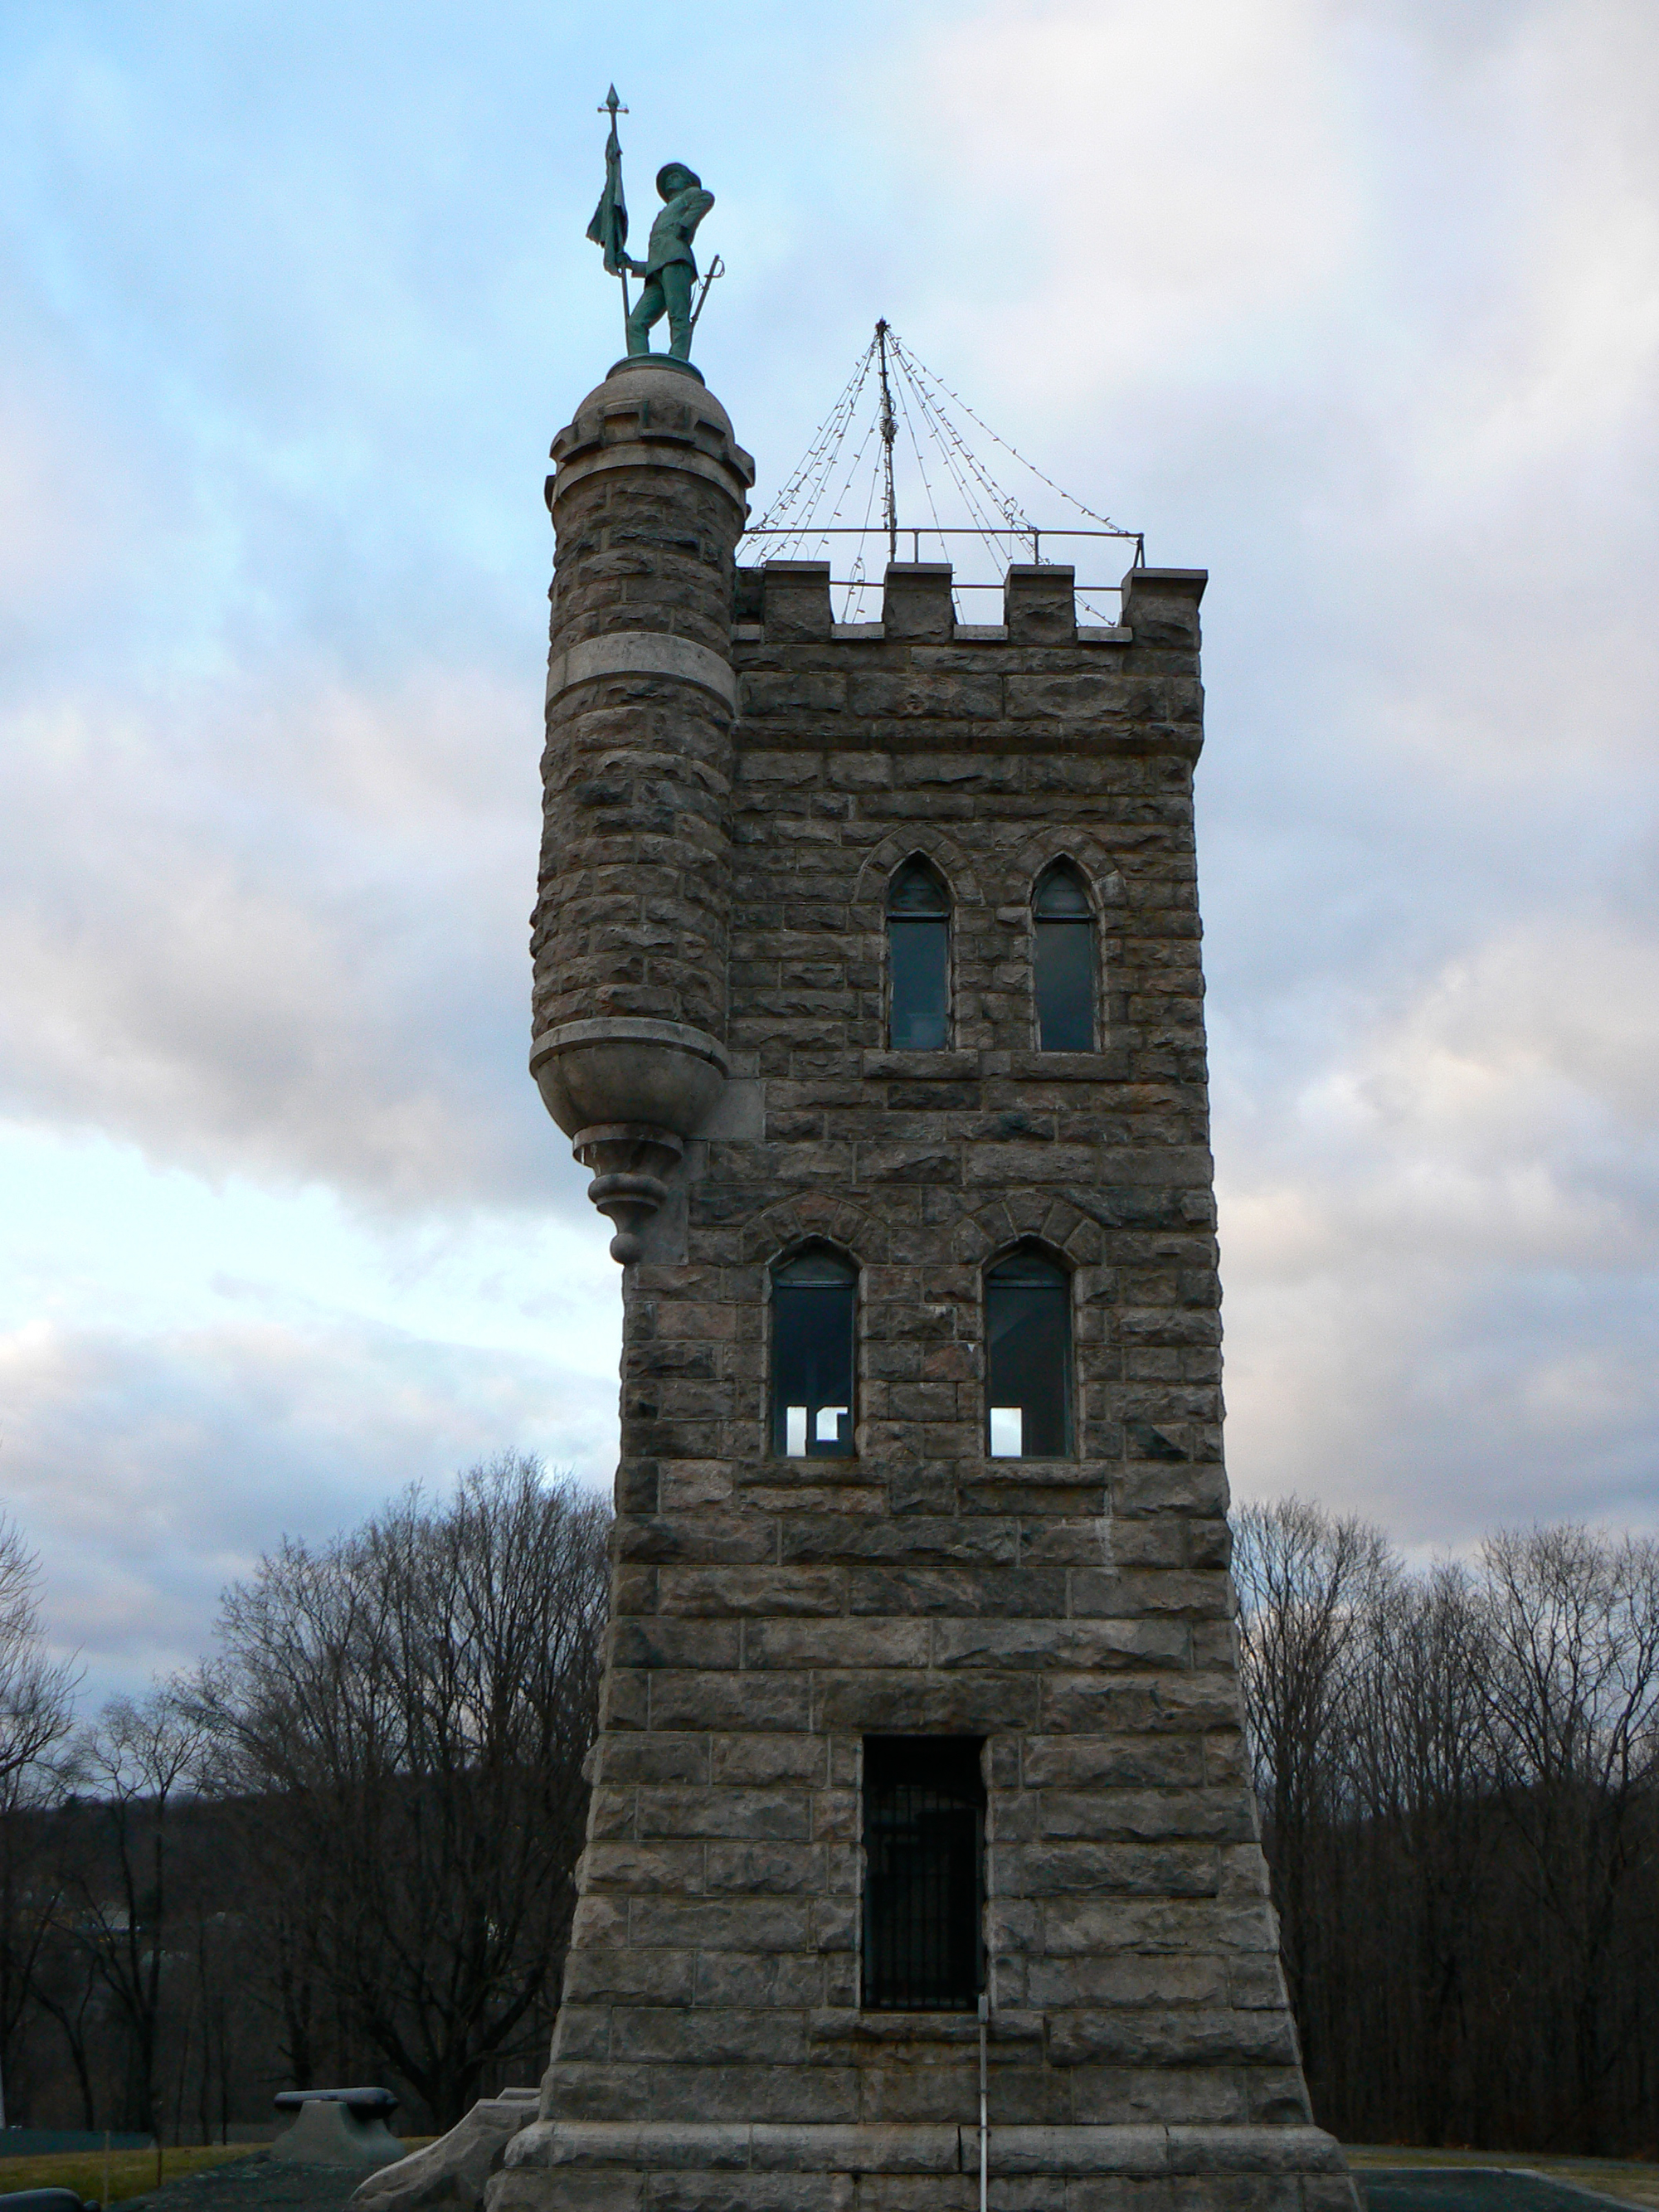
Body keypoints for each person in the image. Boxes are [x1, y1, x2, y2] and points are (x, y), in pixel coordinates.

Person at [625, 163, 714, 360]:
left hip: (676, 260)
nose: (669, 180)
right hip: (657, 270)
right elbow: (657, 255)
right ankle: (640, 366)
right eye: (668, 178)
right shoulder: (663, 213)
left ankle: (679, 358)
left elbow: (706, 197)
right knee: (635, 323)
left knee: (678, 316)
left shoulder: (690, 195)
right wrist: (631, 265)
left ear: (687, 180)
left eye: (675, 176)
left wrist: (686, 224)